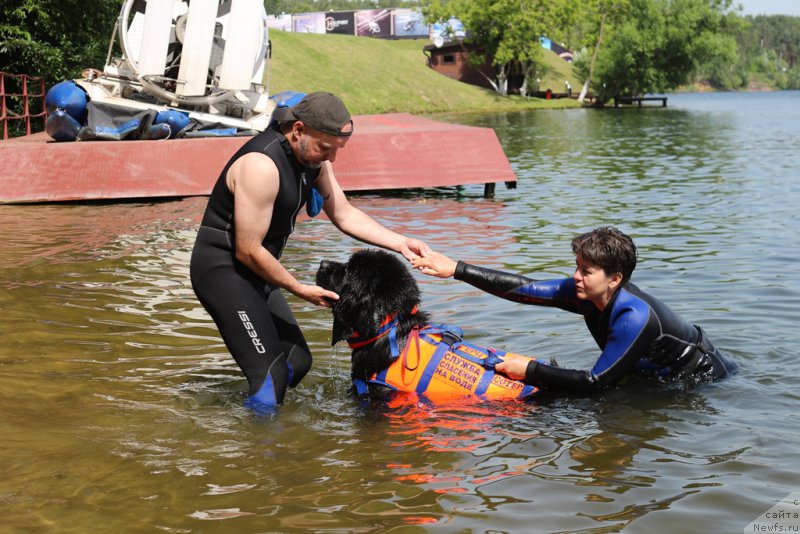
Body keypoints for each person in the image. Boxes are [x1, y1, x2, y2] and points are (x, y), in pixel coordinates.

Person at [190, 92, 430, 411]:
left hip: (257, 270)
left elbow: (343, 214)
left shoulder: (312, 161)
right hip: (223, 270)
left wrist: (399, 242)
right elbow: (247, 250)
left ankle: (248, 411)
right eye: (326, 148)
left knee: (298, 362)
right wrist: (299, 288)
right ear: (299, 130)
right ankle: (256, 452)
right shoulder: (260, 166)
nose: (331, 159)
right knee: (271, 375)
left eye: (337, 150)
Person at [411, 226, 736, 393]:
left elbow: (595, 384)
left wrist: (531, 369)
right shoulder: (584, 292)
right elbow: (523, 289)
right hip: (651, 374)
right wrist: (456, 268)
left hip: (701, 379)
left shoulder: (633, 317)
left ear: (615, 278)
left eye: (587, 270)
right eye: (576, 266)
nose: (575, 277)